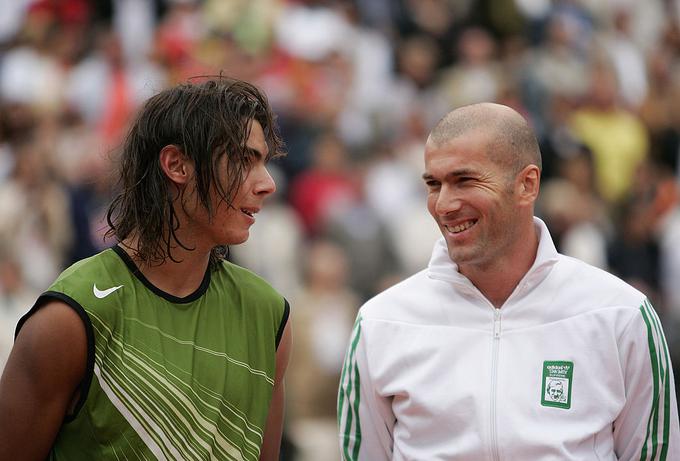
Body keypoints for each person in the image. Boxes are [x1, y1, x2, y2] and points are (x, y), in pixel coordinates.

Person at [337, 102, 680, 460]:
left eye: (464, 180)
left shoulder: (621, 315)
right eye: (434, 184)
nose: (443, 205)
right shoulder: (381, 323)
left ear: (527, 185)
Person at [0, 77, 292, 461]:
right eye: (243, 160)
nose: (267, 183)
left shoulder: (268, 314)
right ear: (176, 165)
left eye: (264, 162)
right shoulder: (72, 315)